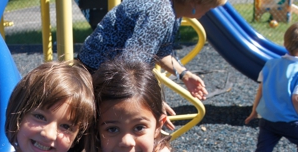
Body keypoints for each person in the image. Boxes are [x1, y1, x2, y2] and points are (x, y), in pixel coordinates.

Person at [77, 0, 227, 102]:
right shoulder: (160, 13)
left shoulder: (173, 11)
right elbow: (131, 65)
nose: (209, 11)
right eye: (209, 6)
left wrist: (184, 74)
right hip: (94, 76)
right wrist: (150, 101)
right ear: (194, 2)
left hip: (112, 73)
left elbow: (161, 53)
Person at [244, 22, 298, 152]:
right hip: (290, 120)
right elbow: (296, 98)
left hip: (267, 118)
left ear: (284, 42)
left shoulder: (271, 64)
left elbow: (261, 89)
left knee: (263, 151)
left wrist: (254, 111)